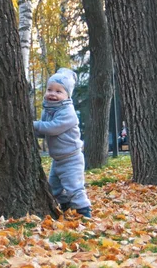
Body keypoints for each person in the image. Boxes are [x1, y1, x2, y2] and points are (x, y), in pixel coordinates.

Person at [33, 68, 92, 218]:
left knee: (74, 187)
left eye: (59, 92)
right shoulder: (48, 109)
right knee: (53, 189)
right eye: (50, 90)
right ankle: (66, 207)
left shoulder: (68, 112)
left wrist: (32, 124)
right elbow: (43, 131)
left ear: (67, 96)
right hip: (58, 160)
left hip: (71, 158)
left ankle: (85, 213)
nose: (53, 94)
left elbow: (52, 128)